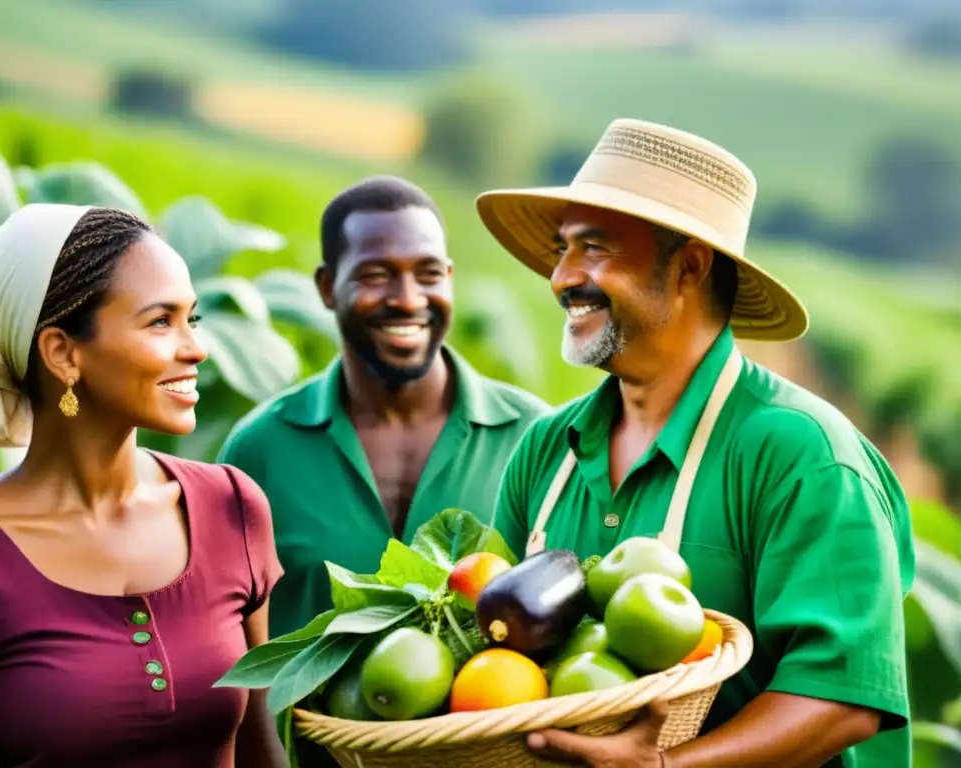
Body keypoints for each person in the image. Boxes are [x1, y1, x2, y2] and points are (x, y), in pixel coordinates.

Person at [478, 120, 914, 768]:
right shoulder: (548, 449)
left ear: (688, 267)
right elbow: (493, 660)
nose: (562, 277)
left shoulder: (804, 457)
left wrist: (663, 767)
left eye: (593, 249)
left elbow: (842, 701)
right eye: (562, 249)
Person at [0, 204, 288, 768]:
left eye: (191, 319)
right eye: (159, 322)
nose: (196, 348)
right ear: (62, 352)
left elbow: (260, 748)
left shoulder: (233, 506)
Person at [216, 175, 551, 640]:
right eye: (377, 275)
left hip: (485, 712)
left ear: (449, 279)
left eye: (428, 274)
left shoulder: (537, 438)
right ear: (328, 287)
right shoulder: (260, 450)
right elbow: (220, 637)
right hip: (308, 717)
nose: (409, 299)